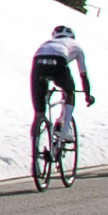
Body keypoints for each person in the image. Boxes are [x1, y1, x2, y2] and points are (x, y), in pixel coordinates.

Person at [29, 20, 93, 164]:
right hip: (59, 61)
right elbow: (83, 74)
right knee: (69, 92)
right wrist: (88, 95)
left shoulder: (46, 43)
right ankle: (65, 127)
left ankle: (34, 149)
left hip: (38, 61)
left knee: (38, 114)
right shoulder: (76, 46)